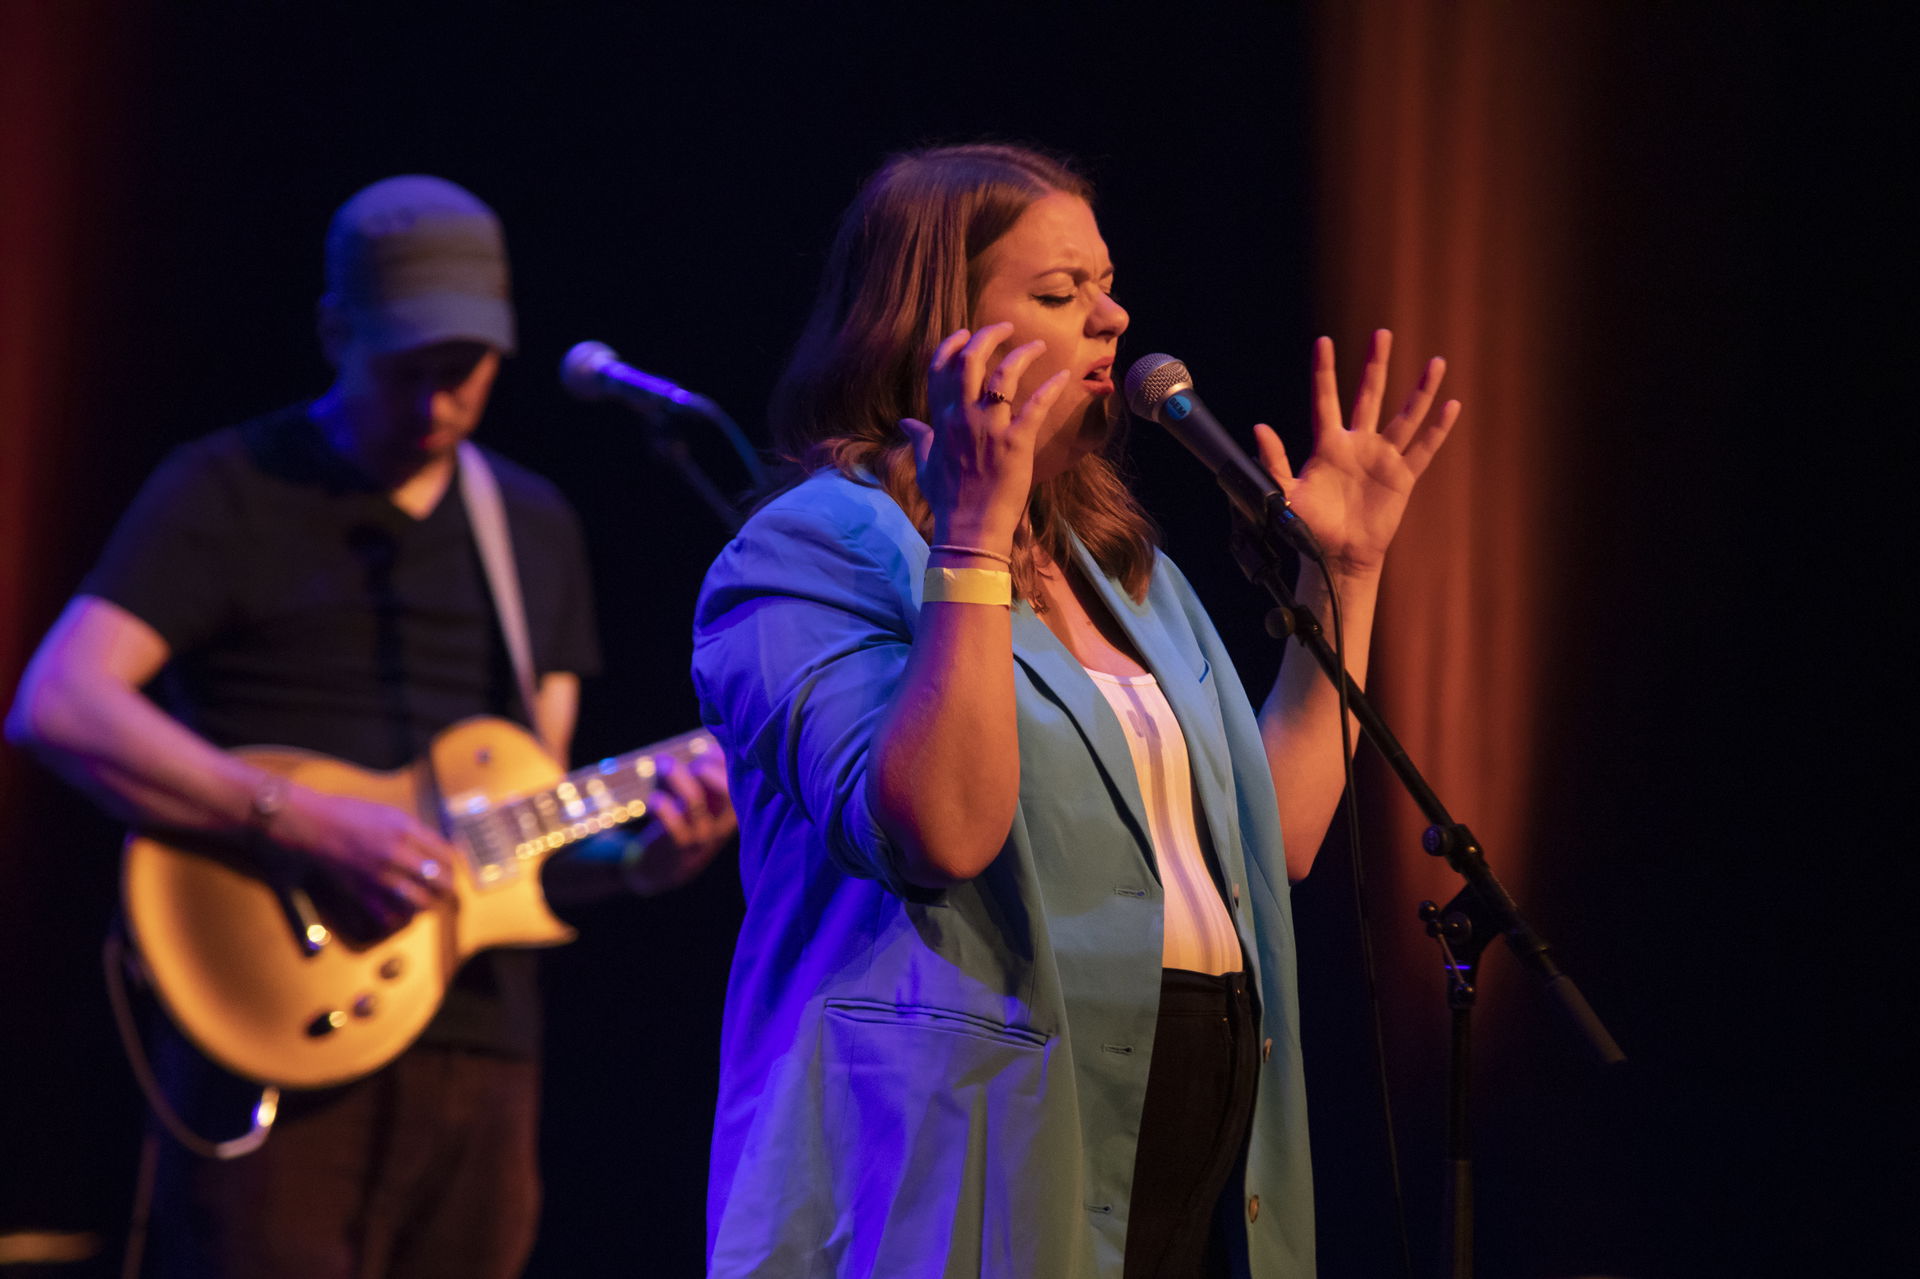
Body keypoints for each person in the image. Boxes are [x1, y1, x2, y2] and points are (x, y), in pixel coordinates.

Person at [690, 144, 1459, 1277]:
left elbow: (1273, 836)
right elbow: (940, 829)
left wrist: (1341, 578)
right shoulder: (816, 548)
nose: (1114, 317)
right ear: (936, 327)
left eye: (1105, 284)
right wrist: (970, 538)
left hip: (1183, 1128)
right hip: (959, 1155)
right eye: (1060, 295)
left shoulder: (1122, 571)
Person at [5, 175, 732, 1278]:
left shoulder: (530, 524)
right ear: (336, 331)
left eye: (468, 367)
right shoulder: (227, 489)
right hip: (270, 1036)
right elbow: (61, 701)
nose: (441, 400)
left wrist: (640, 864)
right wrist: (298, 821)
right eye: (409, 367)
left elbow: (523, 848)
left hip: (484, 1057)